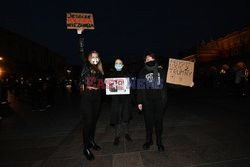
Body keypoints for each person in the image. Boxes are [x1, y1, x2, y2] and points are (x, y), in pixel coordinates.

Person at [137, 53, 167, 152]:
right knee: (148, 123)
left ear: (154, 59)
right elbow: (140, 87)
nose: (149, 60)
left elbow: (171, 82)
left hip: (159, 101)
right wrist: (139, 101)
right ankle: (149, 140)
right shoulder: (142, 71)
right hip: (147, 102)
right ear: (145, 61)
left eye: (151, 58)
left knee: (159, 123)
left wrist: (187, 83)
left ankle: (159, 142)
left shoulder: (161, 70)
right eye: (147, 59)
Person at [80, 50, 104, 161]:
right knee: (88, 122)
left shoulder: (99, 70)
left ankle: (91, 141)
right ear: (89, 58)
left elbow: (102, 84)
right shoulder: (86, 65)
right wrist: (80, 35)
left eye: (97, 57)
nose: (95, 58)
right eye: (92, 56)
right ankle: (86, 148)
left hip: (97, 97)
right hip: (87, 97)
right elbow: (81, 52)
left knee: (93, 121)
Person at [109, 58, 133, 145]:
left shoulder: (127, 74)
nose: (118, 64)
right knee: (117, 118)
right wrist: (106, 84)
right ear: (114, 65)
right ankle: (117, 136)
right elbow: (109, 88)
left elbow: (130, 86)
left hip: (125, 99)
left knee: (125, 117)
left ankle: (126, 133)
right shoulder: (111, 75)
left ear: (122, 65)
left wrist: (130, 83)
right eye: (116, 63)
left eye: (120, 63)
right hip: (116, 100)